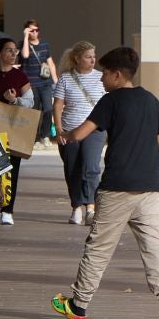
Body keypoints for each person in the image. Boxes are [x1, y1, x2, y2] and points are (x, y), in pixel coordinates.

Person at [50, 46, 159, 319]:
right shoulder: (150, 100)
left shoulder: (110, 101)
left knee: (99, 248)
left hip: (116, 188)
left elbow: (82, 133)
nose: (100, 80)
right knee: (155, 247)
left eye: (104, 75)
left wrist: (63, 136)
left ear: (116, 74)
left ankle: (78, 305)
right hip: (150, 188)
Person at [0, 37, 34, 225]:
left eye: (15, 51)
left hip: (14, 128)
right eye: (9, 50)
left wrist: (15, 100)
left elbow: (30, 102)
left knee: (11, 168)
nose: (13, 54)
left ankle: (8, 210)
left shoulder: (20, 76)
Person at [53, 41, 105, 225]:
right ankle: (76, 206)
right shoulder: (66, 79)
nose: (93, 60)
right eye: (88, 56)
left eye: (94, 56)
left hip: (94, 130)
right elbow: (58, 104)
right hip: (69, 130)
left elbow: (107, 104)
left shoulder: (101, 77)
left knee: (91, 168)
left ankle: (91, 207)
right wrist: (59, 128)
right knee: (73, 168)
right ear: (77, 58)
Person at [20, 20, 59, 144]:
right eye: (31, 30)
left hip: (45, 82)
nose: (34, 32)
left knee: (48, 109)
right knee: (34, 112)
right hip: (30, 83)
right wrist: (25, 37)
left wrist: (55, 81)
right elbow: (25, 55)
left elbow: (50, 63)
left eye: (36, 30)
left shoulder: (44, 44)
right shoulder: (22, 44)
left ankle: (44, 135)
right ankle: (34, 137)